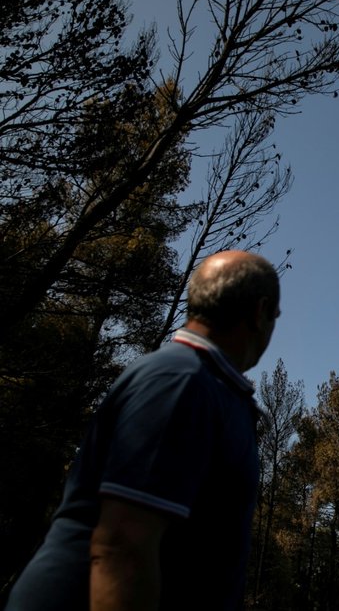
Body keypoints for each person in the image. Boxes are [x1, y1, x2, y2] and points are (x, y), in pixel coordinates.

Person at [5, 250, 280, 610]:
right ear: (259, 313)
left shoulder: (206, 386)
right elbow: (123, 545)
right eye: (275, 316)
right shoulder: (181, 383)